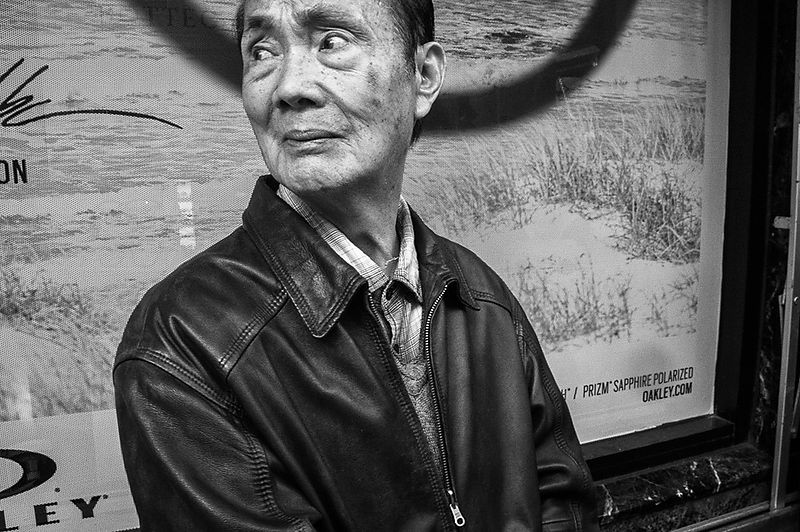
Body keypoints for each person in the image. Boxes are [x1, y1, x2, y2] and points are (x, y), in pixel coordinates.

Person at [113, 0, 599, 530]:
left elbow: (562, 500)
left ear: (424, 76)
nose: (289, 87)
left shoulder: (478, 293)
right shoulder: (182, 341)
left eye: (332, 42)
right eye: (263, 51)